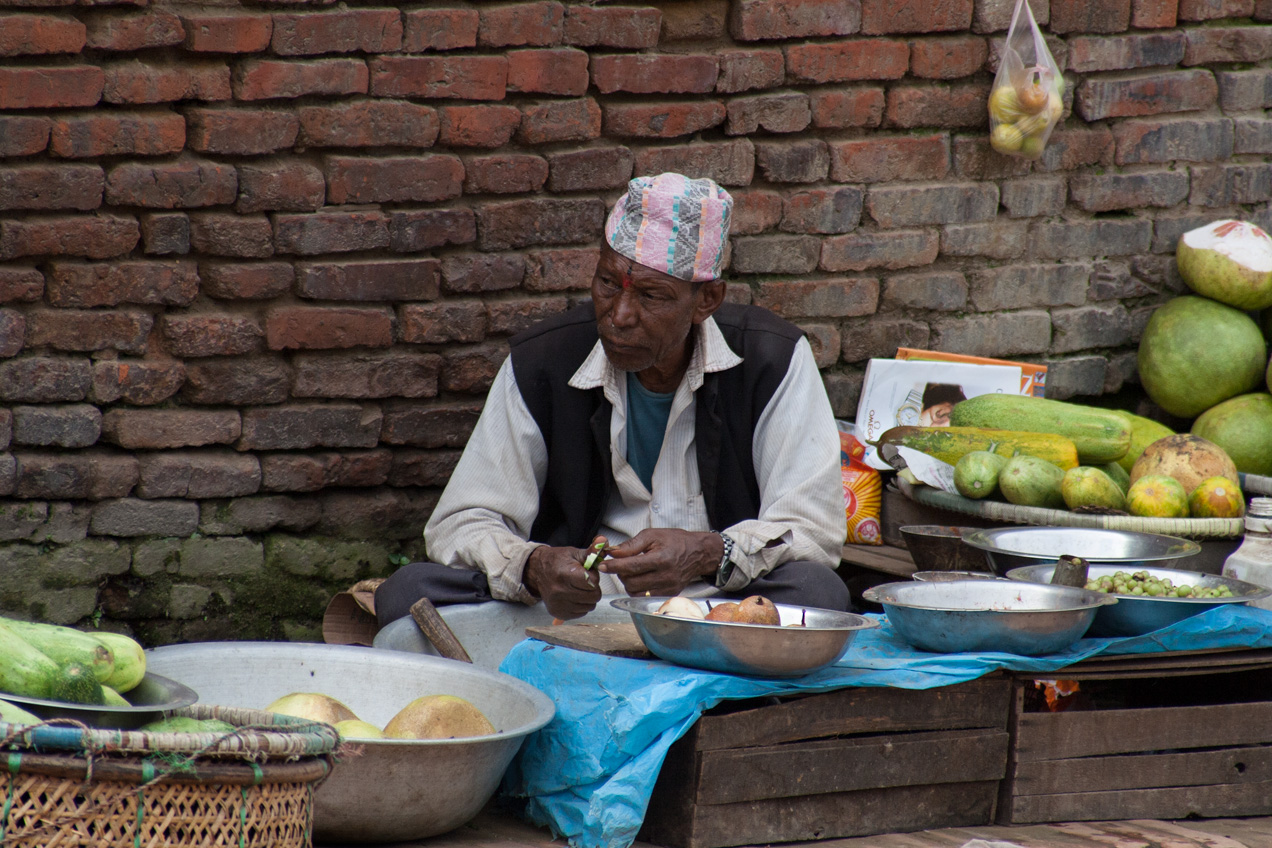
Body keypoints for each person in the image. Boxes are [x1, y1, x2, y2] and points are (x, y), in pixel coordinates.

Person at [375, 173, 850, 626]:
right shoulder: (544, 360)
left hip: (716, 607)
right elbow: (461, 521)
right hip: (571, 607)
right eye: (608, 285)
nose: (619, 316)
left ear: (706, 301)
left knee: (817, 592)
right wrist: (535, 565)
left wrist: (708, 553)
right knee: (407, 592)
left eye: (652, 295)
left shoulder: (773, 359)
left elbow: (812, 531)